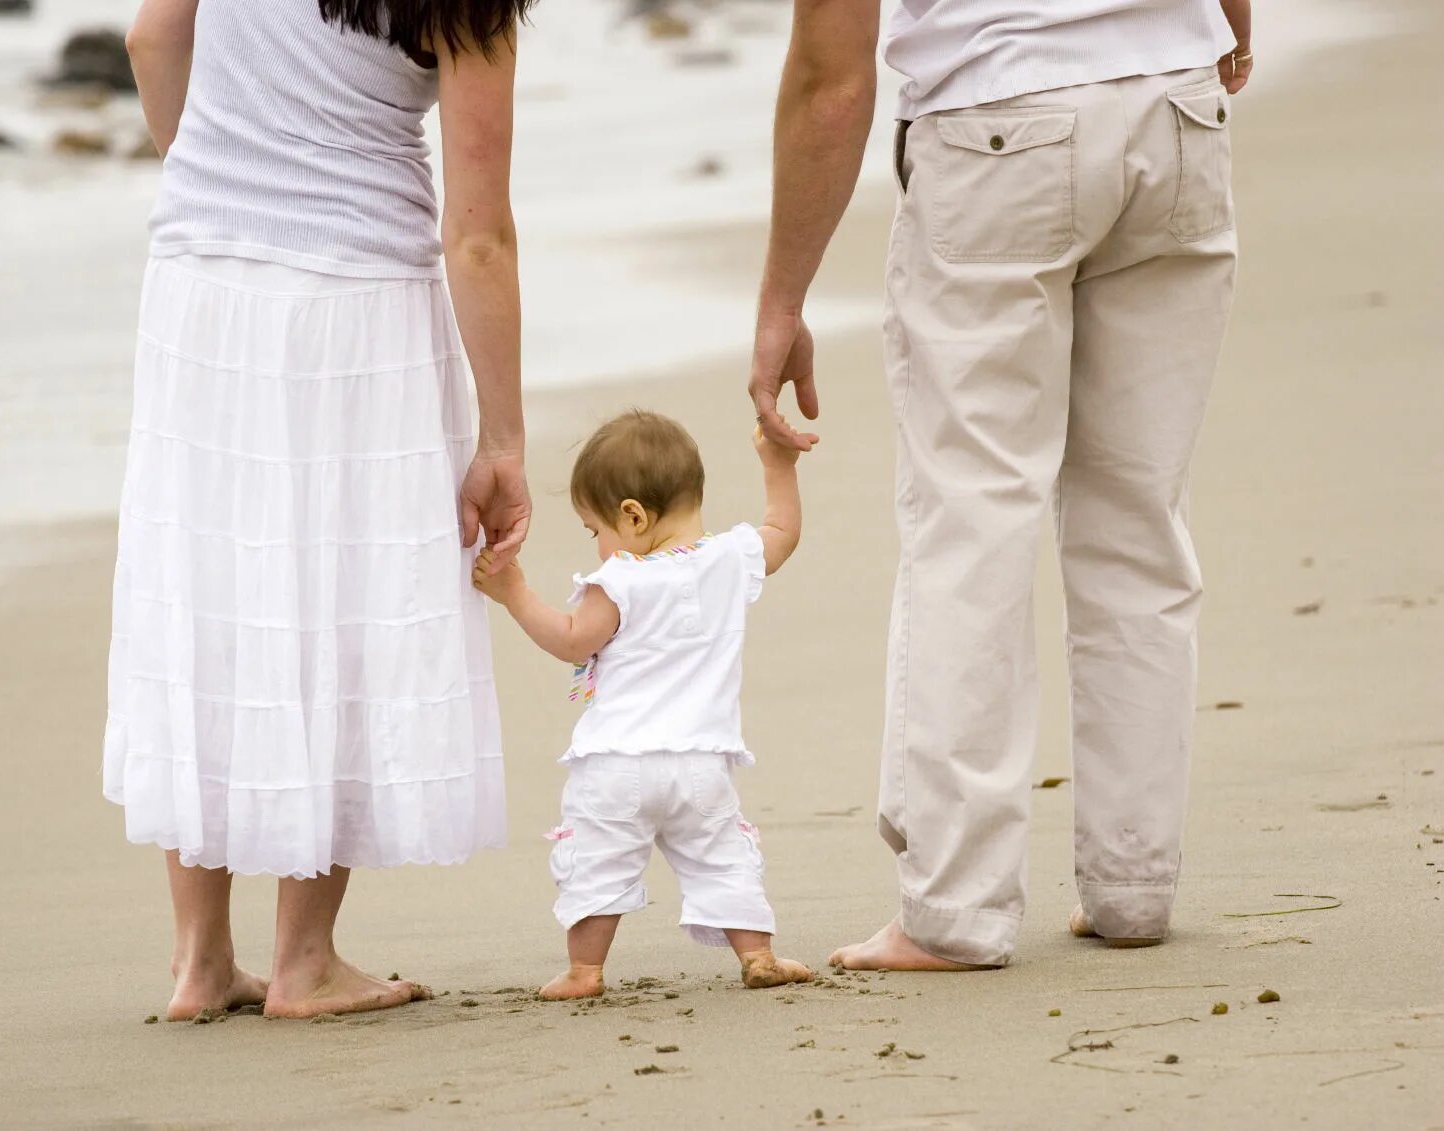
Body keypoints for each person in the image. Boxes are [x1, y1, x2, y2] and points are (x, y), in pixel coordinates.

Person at [750, 0, 1255, 970]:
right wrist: (1226, 22)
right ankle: (1133, 885)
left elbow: (831, 67)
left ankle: (956, 907)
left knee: (973, 519)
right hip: (1176, 103)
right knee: (1139, 512)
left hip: (998, 121)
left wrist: (783, 294)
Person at [106, 0, 534, 1019]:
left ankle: (201, 961)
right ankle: (304, 958)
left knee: (210, 597)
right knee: (337, 601)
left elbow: (151, 39)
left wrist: (216, 168)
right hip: (355, 300)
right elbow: (478, 236)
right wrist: (504, 437)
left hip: (199, 281)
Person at [471, 411, 815, 999]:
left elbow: (575, 639)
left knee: (599, 862)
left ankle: (585, 972)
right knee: (722, 858)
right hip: (702, 764)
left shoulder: (622, 579)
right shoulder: (730, 558)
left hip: (616, 763)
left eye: (593, 528)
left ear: (632, 516)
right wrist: (777, 465)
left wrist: (514, 594)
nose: (598, 544)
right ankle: (757, 954)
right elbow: (782, 531)